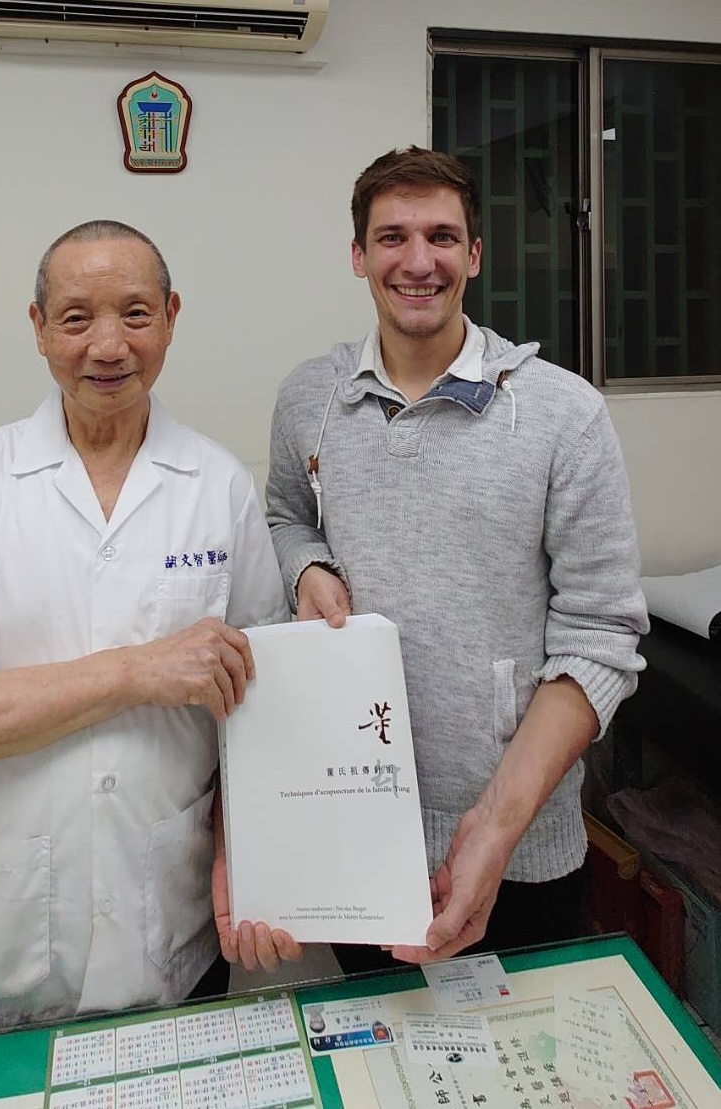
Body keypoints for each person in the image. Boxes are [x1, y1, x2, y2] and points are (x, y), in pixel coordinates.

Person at [0, 219, 296, 1034]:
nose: (108, 345)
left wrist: (250, 864)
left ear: (170, 316)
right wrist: (133, 672)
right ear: (38, 329)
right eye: (75, 318)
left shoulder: (218, 483)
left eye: (135, 314)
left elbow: (258, 710)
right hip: (4, 927)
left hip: (174, 918)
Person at [265, 147, 649, 970]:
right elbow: (284, 515)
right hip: (356, 823)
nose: (416, 260)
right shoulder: (309, 398)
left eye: (441, 236)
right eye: (391, 236)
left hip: (519, 841)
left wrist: (493, 827)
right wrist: (306, 567)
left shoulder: (562, 413)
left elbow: (601, 636)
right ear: (357, 254)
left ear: (474, 255)